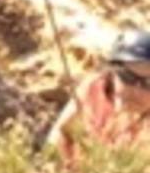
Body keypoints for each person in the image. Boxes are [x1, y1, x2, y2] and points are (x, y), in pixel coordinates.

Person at [48, 30, 150, 163]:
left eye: (148, 83)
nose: (136, 91)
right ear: (112, 71)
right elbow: (62, 132)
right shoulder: (95, 88)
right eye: (127, 77)